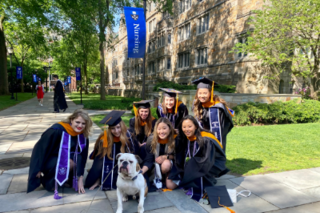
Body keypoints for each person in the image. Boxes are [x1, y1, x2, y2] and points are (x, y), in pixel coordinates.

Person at [27, 109, 93, 199]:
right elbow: (40, 149)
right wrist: (38, 168)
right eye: (77, 122)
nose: (80, 126)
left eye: (83, 123)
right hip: (51, 160)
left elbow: (83, 156)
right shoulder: (57, 130)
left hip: (66, 159)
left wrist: (80, 177)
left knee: (76, 159)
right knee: (67, 162)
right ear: (71, 120)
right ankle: (48, 182)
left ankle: (67, 179)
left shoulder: (82, 135)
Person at [175, 115, 228, 202]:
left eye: (189, 126)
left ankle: (203, 181)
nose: (186, 129)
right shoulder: (188, 137)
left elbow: (207, 159)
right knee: (189, 164)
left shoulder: (205, 138)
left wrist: (193, 166)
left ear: (196, 126)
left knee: (191, 164)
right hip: (204, 160)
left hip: (213, 163)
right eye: (184, 127)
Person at [85, 111, 140, 191]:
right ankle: (99, 178)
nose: (116, 131)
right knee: (90, 181)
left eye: (118, 127)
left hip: (122, 164)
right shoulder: (104, 138)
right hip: (109, 163)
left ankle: (102, 179)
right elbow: (99, 157)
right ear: (109, 129)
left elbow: (135, 153)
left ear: (122, 126)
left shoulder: (129, 136)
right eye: (113, 129)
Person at [192, 77, 234, 152]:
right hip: (203, 133)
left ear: (210, 93)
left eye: (205, 93)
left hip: (216, 133)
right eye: (200, 93)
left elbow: (221, 127)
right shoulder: (197, 104)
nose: (202, 96)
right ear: (197, 93)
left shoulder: (217, 107)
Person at [142, 117, 180, 190]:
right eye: (159, 129)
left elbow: (179, 156)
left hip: (170, 165)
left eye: (164, 128)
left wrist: (166, 157)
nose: (161, 131)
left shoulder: (176, 139)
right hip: (155, 166)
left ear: (169, 128)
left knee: (170, 185)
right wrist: (141, 172)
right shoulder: (151, 140)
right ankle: (161, 178)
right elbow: (149, 159)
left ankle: (168, 177)